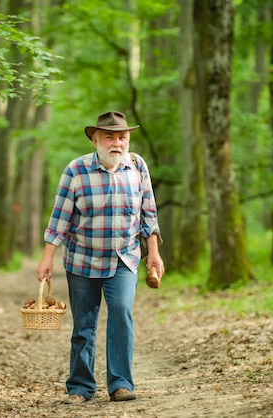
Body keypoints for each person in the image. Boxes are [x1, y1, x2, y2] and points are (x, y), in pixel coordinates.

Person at [37, 111, 164, 404]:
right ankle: (80, 388)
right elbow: (59, 220)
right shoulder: (75, 171)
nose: (117, 143)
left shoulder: (137, 166)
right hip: (82, 259)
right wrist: (47, 259)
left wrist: (153, 252)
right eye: (109, 136)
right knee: (84, 324)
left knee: (121, 313)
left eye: (122, 136)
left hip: (124, 258)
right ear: (95, 139)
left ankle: (120, 383)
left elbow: (149, 214)